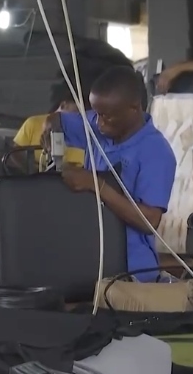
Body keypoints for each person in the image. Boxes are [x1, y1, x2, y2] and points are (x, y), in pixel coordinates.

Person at [42, 66, 177, 282]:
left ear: (133, 109)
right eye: (97, 113)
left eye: (107, 117)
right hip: (91, 260)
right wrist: (50, 126)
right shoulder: (100, 126)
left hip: (131, 271)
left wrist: (96, 185)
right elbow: (58, 120)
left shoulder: (155, 152)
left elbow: (149, 220)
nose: (99, 123)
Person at [10, 83, 88, 171]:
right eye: (75, 114)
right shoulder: (32, 123)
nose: (76, 120)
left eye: (81, 118)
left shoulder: (83, 136)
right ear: (63, 105)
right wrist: (33, 173)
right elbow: (14, 153)